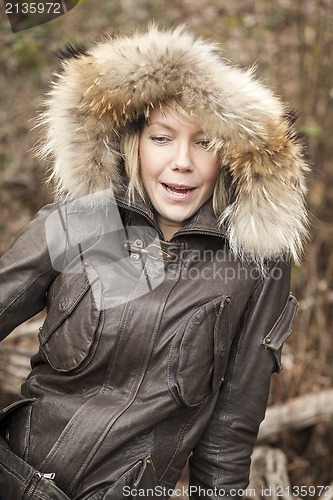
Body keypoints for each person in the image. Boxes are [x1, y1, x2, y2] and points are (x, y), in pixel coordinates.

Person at [0, 26, 309, 500]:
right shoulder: (83, 223)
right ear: (134, 143)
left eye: (204, 142)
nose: (182, 161)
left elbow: (228, 436)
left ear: (230, 156)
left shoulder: (253, 268)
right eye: (162, 137)